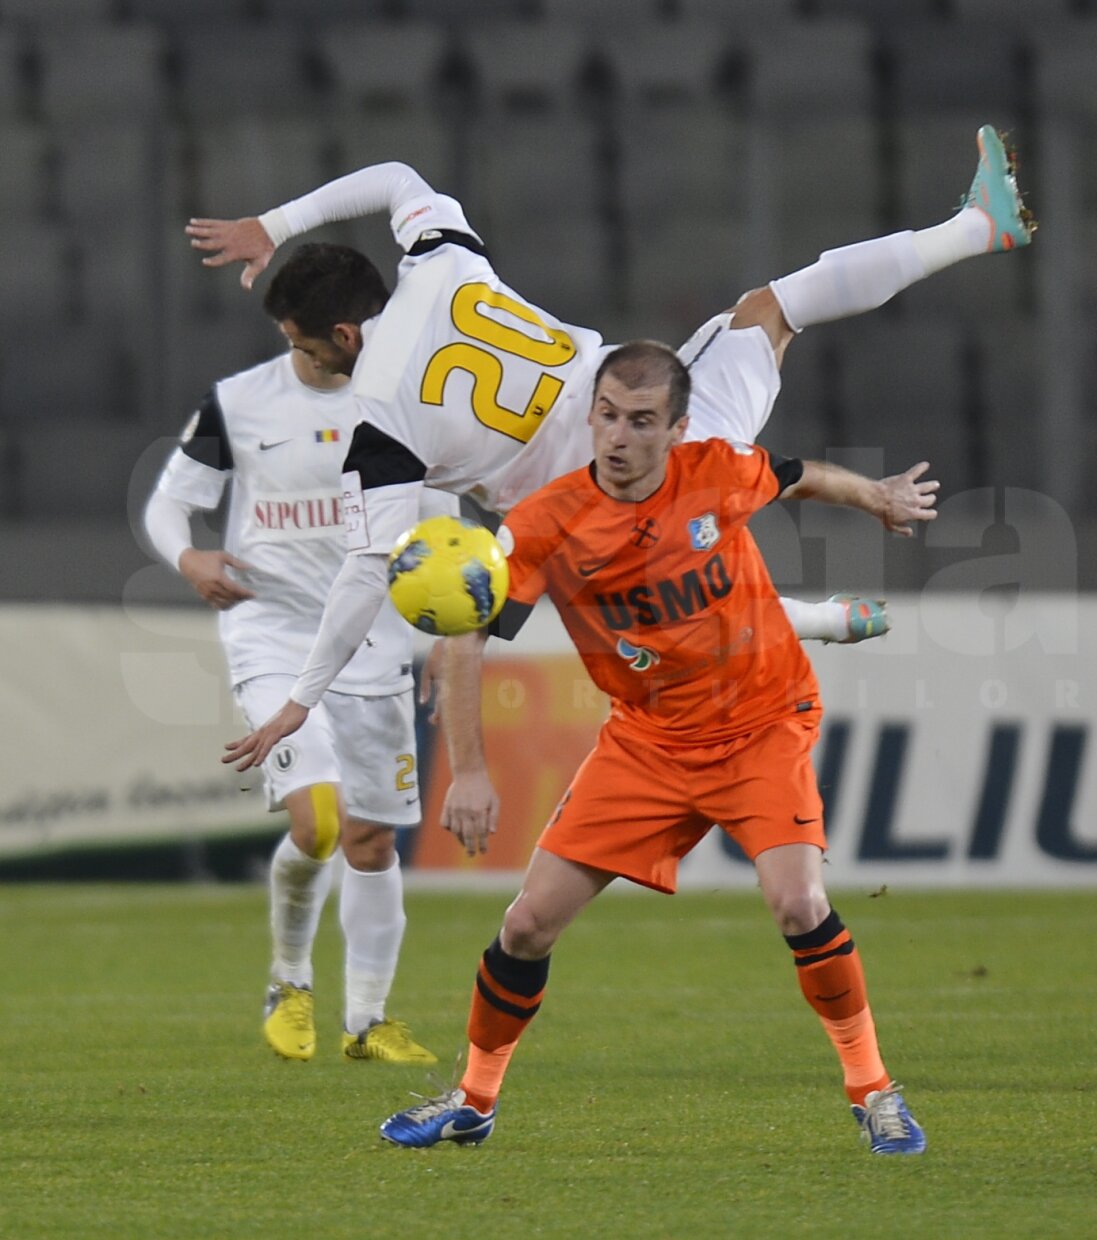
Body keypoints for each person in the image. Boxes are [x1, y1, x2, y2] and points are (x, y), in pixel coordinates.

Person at [200, 124, 1032, 770]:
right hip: (662, 419)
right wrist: (274, 223)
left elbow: (362, 571)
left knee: (634, 625)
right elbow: (394, 180)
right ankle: (972, 228)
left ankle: (818, 618)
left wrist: (303, 699)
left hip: (599, 511)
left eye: (305, 350)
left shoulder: (380, 423)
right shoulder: (440, 262)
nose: (304, 366)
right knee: (771, 311)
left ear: (342, 334)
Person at [376, 341, 938, 1154]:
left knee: (799, 904)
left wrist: (877, 498)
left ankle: (874, 1090)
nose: (618, 436)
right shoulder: (548, 521)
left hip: (761, 724)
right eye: (606, 415)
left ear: (676, 429)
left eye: (641, 421)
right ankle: (473, 1099)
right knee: (528, 924)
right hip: (647, 744)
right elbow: (466, 633)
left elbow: (794, 472)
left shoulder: (718, 470)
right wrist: (467, 768)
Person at [144, 243, 457, 1066]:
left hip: (375, 643)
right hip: (272, 632)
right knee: (317, 821)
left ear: (346, 335)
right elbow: (170, 506)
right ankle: (288, 980)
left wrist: (440, 638)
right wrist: (188, 558)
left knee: (371, 843)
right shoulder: (240, 402)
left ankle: (367, 1020)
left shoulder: (412, 406)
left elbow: (444, 539)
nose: (294, 352)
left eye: (302, 338)